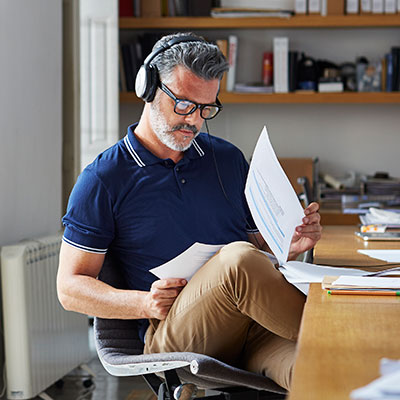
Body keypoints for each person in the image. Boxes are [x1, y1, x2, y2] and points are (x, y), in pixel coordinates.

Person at [57, 32, 322, 391]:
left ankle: (343, 343)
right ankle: (341, 329)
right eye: (183, 104)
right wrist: (145, 303)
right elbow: (69, 288)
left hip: (253, 328)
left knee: (324, 370)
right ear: (148, 87)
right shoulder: (103, 179)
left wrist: (289, 242)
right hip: (178, 336)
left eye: (206, 108)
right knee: (238, 261)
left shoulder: (226, 159)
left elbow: (260, 247)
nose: (194, 121)